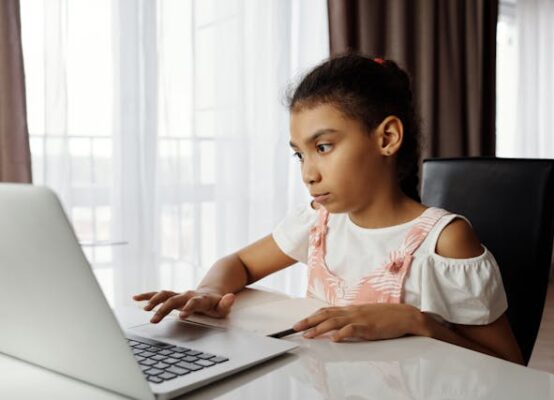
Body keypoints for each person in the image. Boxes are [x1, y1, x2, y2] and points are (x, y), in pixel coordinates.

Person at [133, 53, 524, 365]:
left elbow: (509, 365)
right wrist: (208, 292)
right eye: (298, 155)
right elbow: (240, 263)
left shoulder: (443, 242)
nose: (308, 173)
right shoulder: (318, 223)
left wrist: (416, 322)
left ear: (387, 138)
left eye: (323, 147)